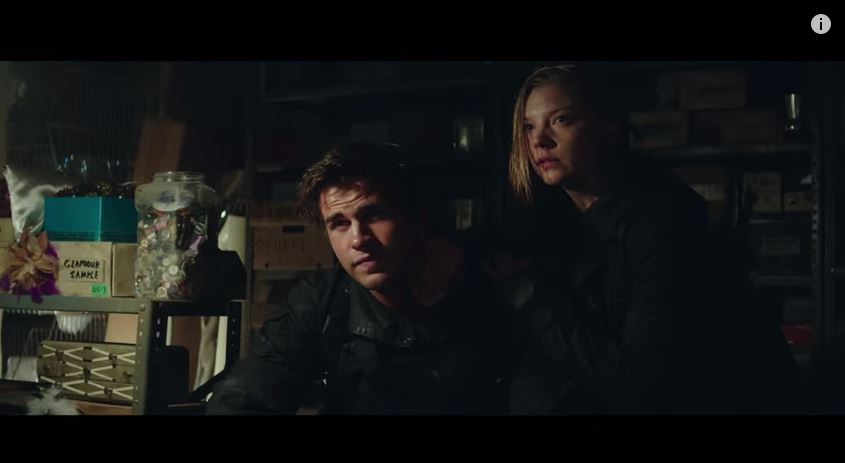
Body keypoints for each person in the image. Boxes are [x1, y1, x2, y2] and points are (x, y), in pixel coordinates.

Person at [501, 64, 800, 414]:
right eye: (529, 126)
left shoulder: (662, 222)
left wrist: (534, 303)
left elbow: (643, 388)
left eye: (561, 120)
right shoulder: (556, 222)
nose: (538, 140)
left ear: (610, 128)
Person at [207, 142, 514, 414]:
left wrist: (465, 245)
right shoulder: (320, 302)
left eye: (374, 215)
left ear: (418, 215)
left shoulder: (481, 281)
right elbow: (242, 399)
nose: (358, 239)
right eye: (339, 223)